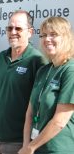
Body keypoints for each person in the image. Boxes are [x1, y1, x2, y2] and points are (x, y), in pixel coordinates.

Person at [0, 10, 47, 154]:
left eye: (18, 28)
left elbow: (40, 105)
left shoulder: (37, 60)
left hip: (18, 142)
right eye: (9, 28)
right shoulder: (1, 57)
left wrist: (28, 144)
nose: (13, 32)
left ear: (30, 32)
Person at [18, 16, 74, 154]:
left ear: (66, 37)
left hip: (58, 149)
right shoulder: (43, 70)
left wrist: (31, 147)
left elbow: (60, 121)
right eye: (43, 35)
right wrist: (26, 145)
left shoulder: (70, 70)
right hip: (36, 148)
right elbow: (30, 113)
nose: (47, 39)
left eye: (53, 34)